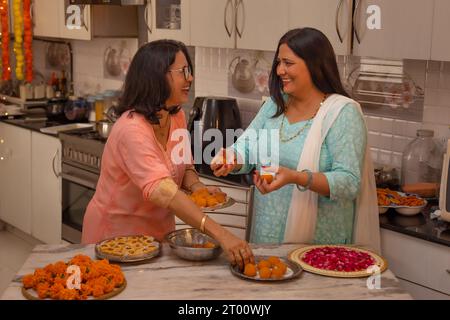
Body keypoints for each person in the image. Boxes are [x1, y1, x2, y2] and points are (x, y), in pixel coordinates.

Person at [82, 39, 254, 269]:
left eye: (189, 71)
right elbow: (165, 193)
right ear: (157, 76)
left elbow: (185, 168)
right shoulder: (131, 129)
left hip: (158, 238)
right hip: (115, 240)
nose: (190, 78)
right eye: (183, 72)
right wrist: (222, 235)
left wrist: (198, 188)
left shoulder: (176, 116)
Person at [211, 28, 380, 253]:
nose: (280, 70)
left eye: (288, 63)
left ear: (314, 65)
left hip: (318, 244)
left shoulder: (342, 113)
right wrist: (231, 158)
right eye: (279, 62)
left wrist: (296, 177)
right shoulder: (276, 103)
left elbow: (349, 182)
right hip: (266, 235)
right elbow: (248, 145)